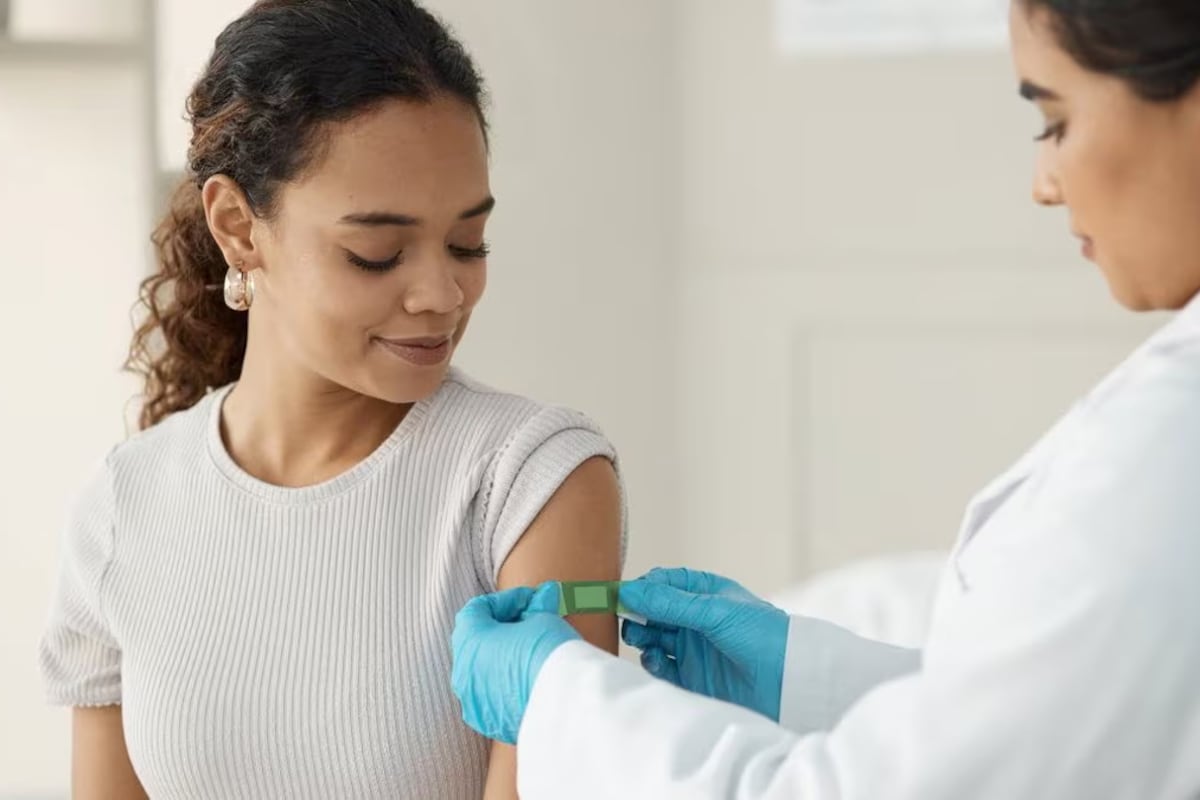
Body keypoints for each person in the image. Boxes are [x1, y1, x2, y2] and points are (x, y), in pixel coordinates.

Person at [449, 1, 1200, 797]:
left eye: (1055, 120)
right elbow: (1048, 729)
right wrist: (806, 677)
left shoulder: (1168, 455)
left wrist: (561, 704)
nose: (1044, 184)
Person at [38, 2, 625, 798]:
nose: (443, 293)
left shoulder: (529, 485)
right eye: (376, 253)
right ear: (239, 227)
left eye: (467, 242)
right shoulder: (123, 508)